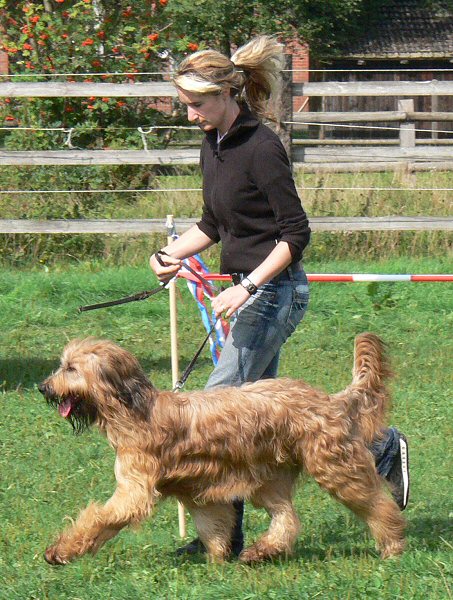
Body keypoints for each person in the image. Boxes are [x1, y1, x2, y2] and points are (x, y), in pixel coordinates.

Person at [149, 35, 409, 558]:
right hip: (248, 292)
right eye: (186, 105)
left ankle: (222, 538)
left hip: (274, 292)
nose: (191, 114)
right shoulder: (214, 143)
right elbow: (214, 223)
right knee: (266, 418)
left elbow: (295, 234)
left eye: (197, 104)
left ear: (225, 95)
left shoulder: (262, 147)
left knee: (219, 410)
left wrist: (246, 287)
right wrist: (170, 253)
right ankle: (379, 446)